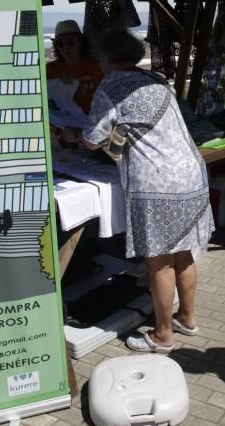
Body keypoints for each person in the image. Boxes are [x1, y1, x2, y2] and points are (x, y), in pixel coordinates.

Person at [71, 29, 214, 353]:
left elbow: (93, 139)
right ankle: (187, 318)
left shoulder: (111, 85)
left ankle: (163, 335)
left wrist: (73, 135)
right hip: (191, 175)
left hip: (157, 183)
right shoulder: (156, 80)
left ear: (106, 58)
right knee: (184, 253)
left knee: (159, 263)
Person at [46, 19, 104, 114]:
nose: (66, 49)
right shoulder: (49, 70)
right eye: (60, 45)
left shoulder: (98, 66)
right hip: (62, 125)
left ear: (80, 42)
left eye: (70, 43)